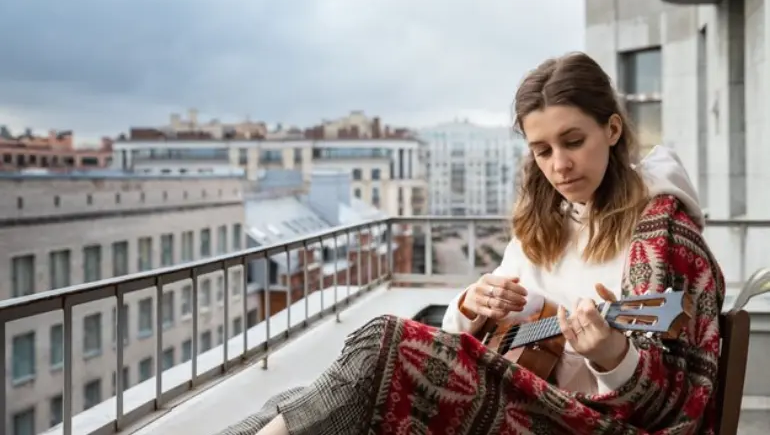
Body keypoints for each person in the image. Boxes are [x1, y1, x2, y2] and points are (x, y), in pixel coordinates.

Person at [219, 52, 725, 435]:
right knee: (307, 396)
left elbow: (675, 406)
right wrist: (471, 303)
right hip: (523, 393)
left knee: (381, 345)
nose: (559, 166)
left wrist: (614, 353)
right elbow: (470, 335)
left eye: (574, 142)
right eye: (542, 150)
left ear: (612, 129)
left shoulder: (661, 232)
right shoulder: (550, 218)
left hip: (587, 422)